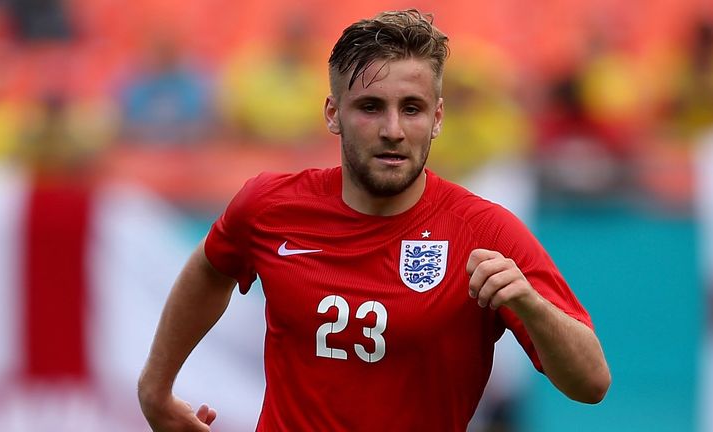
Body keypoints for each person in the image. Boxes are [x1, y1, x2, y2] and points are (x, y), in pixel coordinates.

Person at [137, 9, 611, 431]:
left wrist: (530, 304)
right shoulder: (269, 206)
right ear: (332, 113)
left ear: (438, 117)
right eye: (370, 107)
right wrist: (156, 390)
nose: (392, 130)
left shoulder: (483, 231)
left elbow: (591, 382)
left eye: (412, 109)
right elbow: (210, 266)